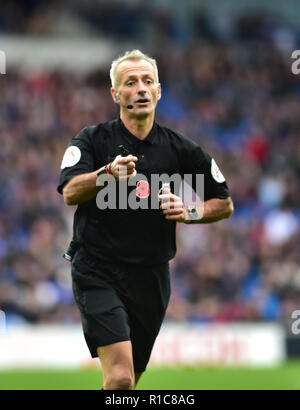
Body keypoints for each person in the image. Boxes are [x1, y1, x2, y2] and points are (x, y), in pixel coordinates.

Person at [57, 50, 234, 390]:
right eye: (131, 82)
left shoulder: (180, 149)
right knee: (120, 380)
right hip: (98, 269)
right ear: (115, 94)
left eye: (147, 81)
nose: (140, 89)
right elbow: (69, 191)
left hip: (152, 277)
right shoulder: (92, 140)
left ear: (158, 91)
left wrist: (190, 212)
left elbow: (224, 203)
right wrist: (106, 173)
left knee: (130, 382)